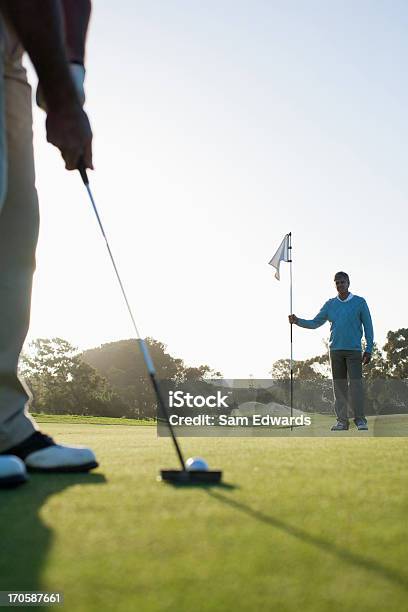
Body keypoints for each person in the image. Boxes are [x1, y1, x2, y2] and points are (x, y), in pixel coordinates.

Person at [0, 0, 97, 488]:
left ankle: (3, 427)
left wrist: (72, 76)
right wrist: (61, 97)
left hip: (11, 58)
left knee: (15, 234)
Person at [289, 271, 374, 431]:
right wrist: (297, 321)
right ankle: (342, 422)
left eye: (342, 282)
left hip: (354, 351)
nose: (340, 285)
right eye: (337, 283)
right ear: (335, 285)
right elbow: (315, 323)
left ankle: (360, 420)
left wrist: (369, 349)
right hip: (335, 351)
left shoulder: (360, 302)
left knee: (356, 387)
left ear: (348, 283)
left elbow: (368, 327)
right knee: (339, 388)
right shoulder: (330, 304)